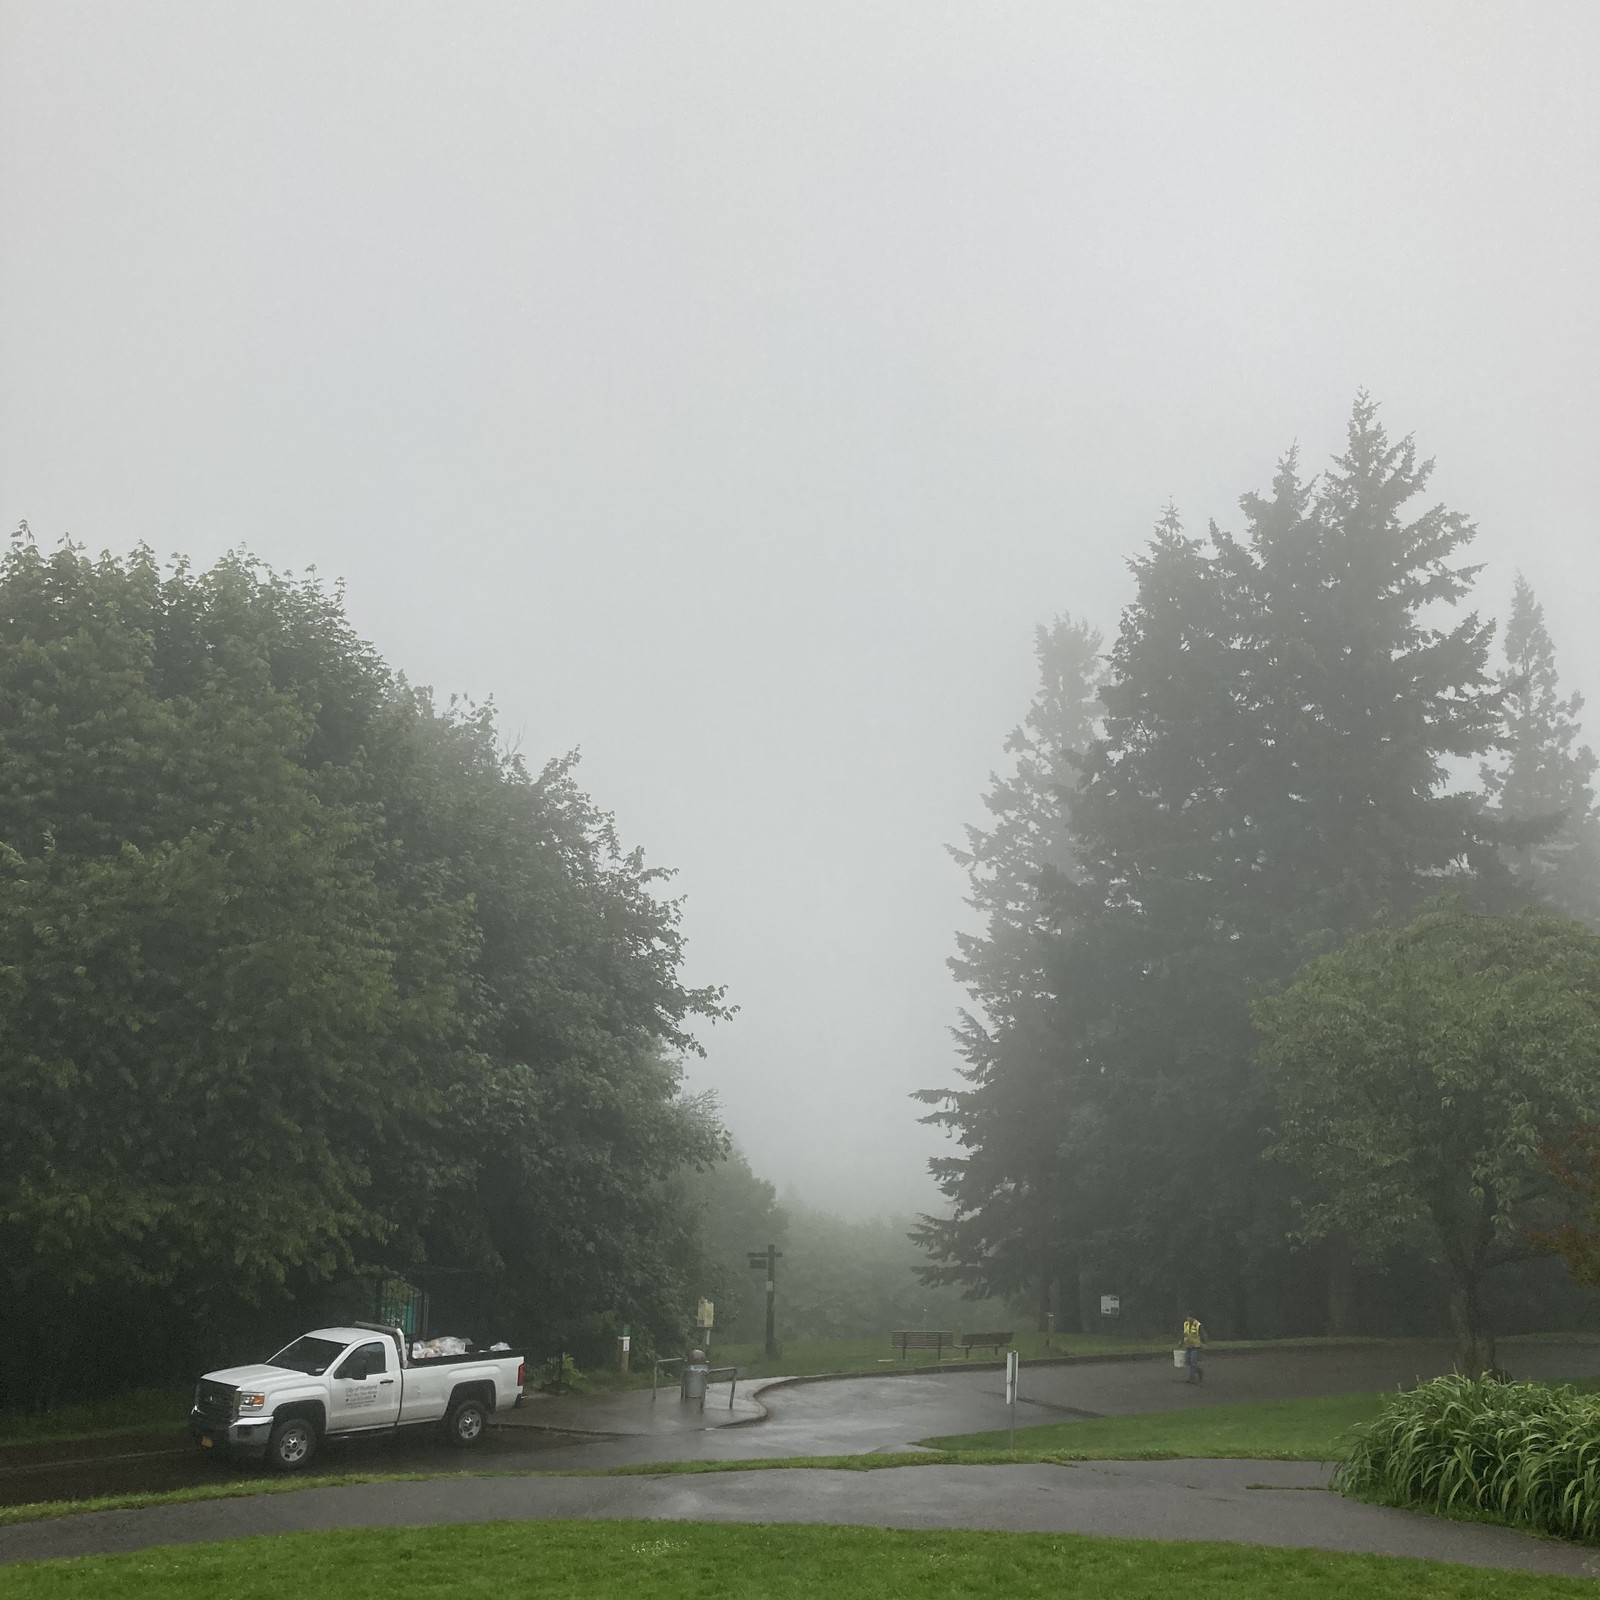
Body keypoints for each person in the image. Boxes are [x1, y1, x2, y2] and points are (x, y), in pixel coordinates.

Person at [1180, 1313, 1206, 1384]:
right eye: (1187, 1317)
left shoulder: (1198, 1325)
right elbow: (1184, 1334)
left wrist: (1204, 1342)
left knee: (1193, 1362)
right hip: (1188, 1346)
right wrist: (1181, 1342)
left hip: (1196, 1346)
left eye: (1189, 1317)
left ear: (1193, 1317)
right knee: (1189, 1362)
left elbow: (1202, 1334)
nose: (1187, 1319)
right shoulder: (1186, 1324)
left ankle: (1191, 1379)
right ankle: (1199, 1371)